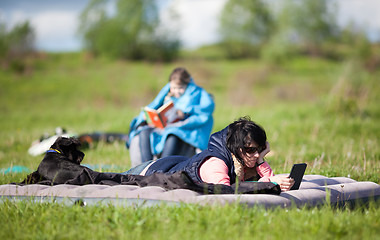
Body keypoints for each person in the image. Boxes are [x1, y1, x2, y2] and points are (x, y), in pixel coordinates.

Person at [124, 117, 295, 192]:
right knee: (115, 180)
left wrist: (261, 160)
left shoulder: (244, 159)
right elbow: (225, 191)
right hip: (150, 171)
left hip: (176, 164)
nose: (256, 154)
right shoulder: (216, 164)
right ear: (236, 148)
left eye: (261, 149)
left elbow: (266, 180)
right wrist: (270, 182)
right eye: (251, 150)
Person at [127, 67, 215, 167]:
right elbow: (155, 104)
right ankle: (145, 166)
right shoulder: (168, 94)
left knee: (172, 134)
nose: (177, 91)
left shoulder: (196, 93)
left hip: (183, 128)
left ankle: (160, 167)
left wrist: (185, 113)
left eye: (180, 88)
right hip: (163, 127)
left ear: (187, 84)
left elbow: (204, 112)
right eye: (174, 88)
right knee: (144, 131)